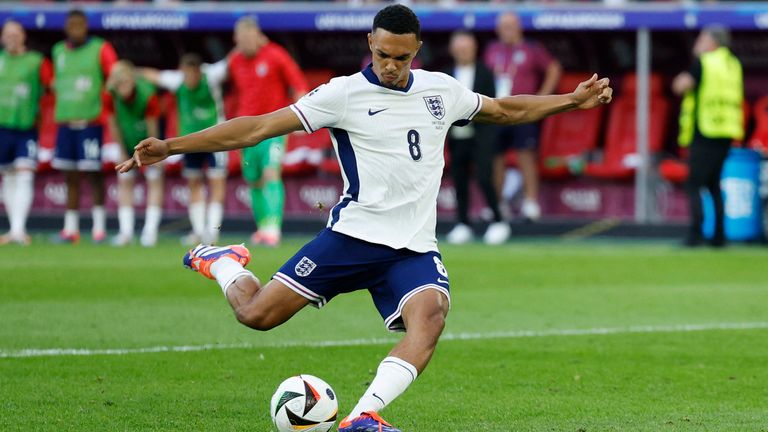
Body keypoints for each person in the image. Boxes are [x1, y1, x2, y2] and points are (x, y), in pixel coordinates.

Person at [117, 5, 611, 431]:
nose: (392, 66)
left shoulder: (441, 90)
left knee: (432, 317)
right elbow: (260, 127)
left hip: (414, 245)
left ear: (416, 49)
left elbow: (504, 109)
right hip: (353, 237)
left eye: (403, 57)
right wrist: (172, 146)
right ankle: (225, 261)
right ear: (369, 42)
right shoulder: (342, 94)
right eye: (383, 55)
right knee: (256, 316)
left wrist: (570, 99)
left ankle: (364, 417)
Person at [226, 17, 309, 246]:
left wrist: (302, 118)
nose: (244, 44)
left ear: (258, 36)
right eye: (240, 40)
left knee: (271, 173)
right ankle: (262, 227)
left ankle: (273, 228)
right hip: (245, 130)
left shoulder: (276, 55)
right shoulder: (235, 61)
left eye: (248, 38)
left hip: (274, 127)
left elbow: (298, 85)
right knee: (253, 180)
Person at [141, 53, 228, 245]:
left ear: (198, 71)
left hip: (217, 139)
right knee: (194, 183)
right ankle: (198, 232)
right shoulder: (177, 81)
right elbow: (154, 75)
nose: (188, 79)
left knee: (217, 182)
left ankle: (212, 232)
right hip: (190, 142)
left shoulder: (212, 75)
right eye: (185, 75)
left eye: (192, 74)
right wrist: (132, 71)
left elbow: (230, 62)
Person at [484, 12, 562, 222]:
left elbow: (553, 69)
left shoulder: (531, 49)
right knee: (496, 158)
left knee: (525, 156)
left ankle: (530, 202)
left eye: (510, 26)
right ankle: (498, 204)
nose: (506, 31)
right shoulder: (493, 50)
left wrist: (542, 99)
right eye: (502, 27)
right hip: (497, 110)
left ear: (518, 27)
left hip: (523, 111)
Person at [672, 26, 743, 248]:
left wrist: (694, 60)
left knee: (694, 184)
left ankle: (695, 234)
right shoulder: (733, 64)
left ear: (712, 43)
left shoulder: (705, 62)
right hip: (726, 131)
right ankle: (719, 237)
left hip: (705, 130)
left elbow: (680, 86)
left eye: (702, 39)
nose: (698, 43)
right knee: (713, 184)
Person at [51, 9, 118, 243]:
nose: (76, 28)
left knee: (93, 173)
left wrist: (104, 97)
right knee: (69, 176)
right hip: (66, 121)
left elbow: (114, 74)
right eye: (72, 24)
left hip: (90, 122)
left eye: (80, 24)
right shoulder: (58, 50)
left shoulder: (100, 47)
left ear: (86, 25)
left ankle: (98, 229)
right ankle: (71, 229)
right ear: (67, 27)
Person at [444, 30, 509, 245]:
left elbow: (493, 104)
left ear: (474, 49)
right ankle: (463, 222)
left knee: (484, 177)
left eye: (467, 47)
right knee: (459, 180)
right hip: (456, 136)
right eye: (459, 48)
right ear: (453, 50)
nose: (463, 52)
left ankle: (498, 220)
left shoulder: (485, 73)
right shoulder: (445, 75)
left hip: (480, 135)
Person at [0, 20, 53, 245]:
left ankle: (19, 229)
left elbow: (51, 87)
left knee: (24, 174)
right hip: (2, 126)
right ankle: (13, 229)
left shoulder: (36, 62)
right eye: (7, 34)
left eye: (15, 33)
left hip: (26, 126)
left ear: (23, 36)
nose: (11, 37)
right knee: (8, 176)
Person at [106, 61, 163, 247]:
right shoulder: (109, 95)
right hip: (126, 137)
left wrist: (152, 152)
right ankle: (126, 232)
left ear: (132, 79)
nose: (123, 87)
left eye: (126, 82)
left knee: (155, 179)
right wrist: (122, 149)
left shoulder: (147, 93)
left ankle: (150, 233)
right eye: (119, 83)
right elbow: (112, 122)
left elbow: (152, 125)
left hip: (147, 138)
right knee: (125, 180)